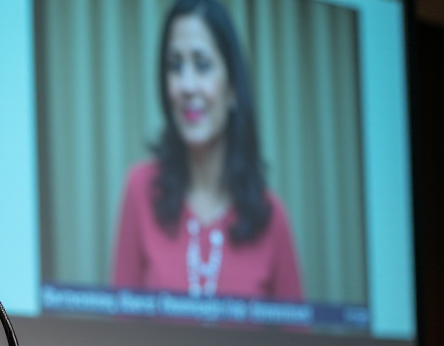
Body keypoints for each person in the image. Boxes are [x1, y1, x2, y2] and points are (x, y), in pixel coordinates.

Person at [112, 0, 302, 301]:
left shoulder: (272, 217)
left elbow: (297, 344)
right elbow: (118, 334)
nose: (187, 86)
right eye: (175, 66)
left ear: (233, 88)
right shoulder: (139, 189)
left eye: (202, 65)